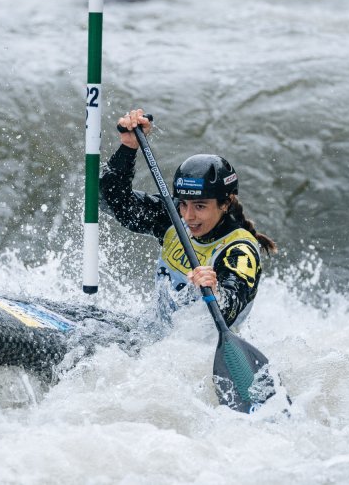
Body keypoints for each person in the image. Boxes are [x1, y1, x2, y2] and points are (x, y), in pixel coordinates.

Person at [100, 109, 276, 330]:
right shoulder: (174, 217)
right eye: (184, 203)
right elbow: (114, 202)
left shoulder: (240, 250)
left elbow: (232, 304)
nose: (188, 216)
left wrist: (216, 292)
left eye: (200, 206)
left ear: (226, 203)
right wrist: (128, 147)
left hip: (195, 349)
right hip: (150, 333)